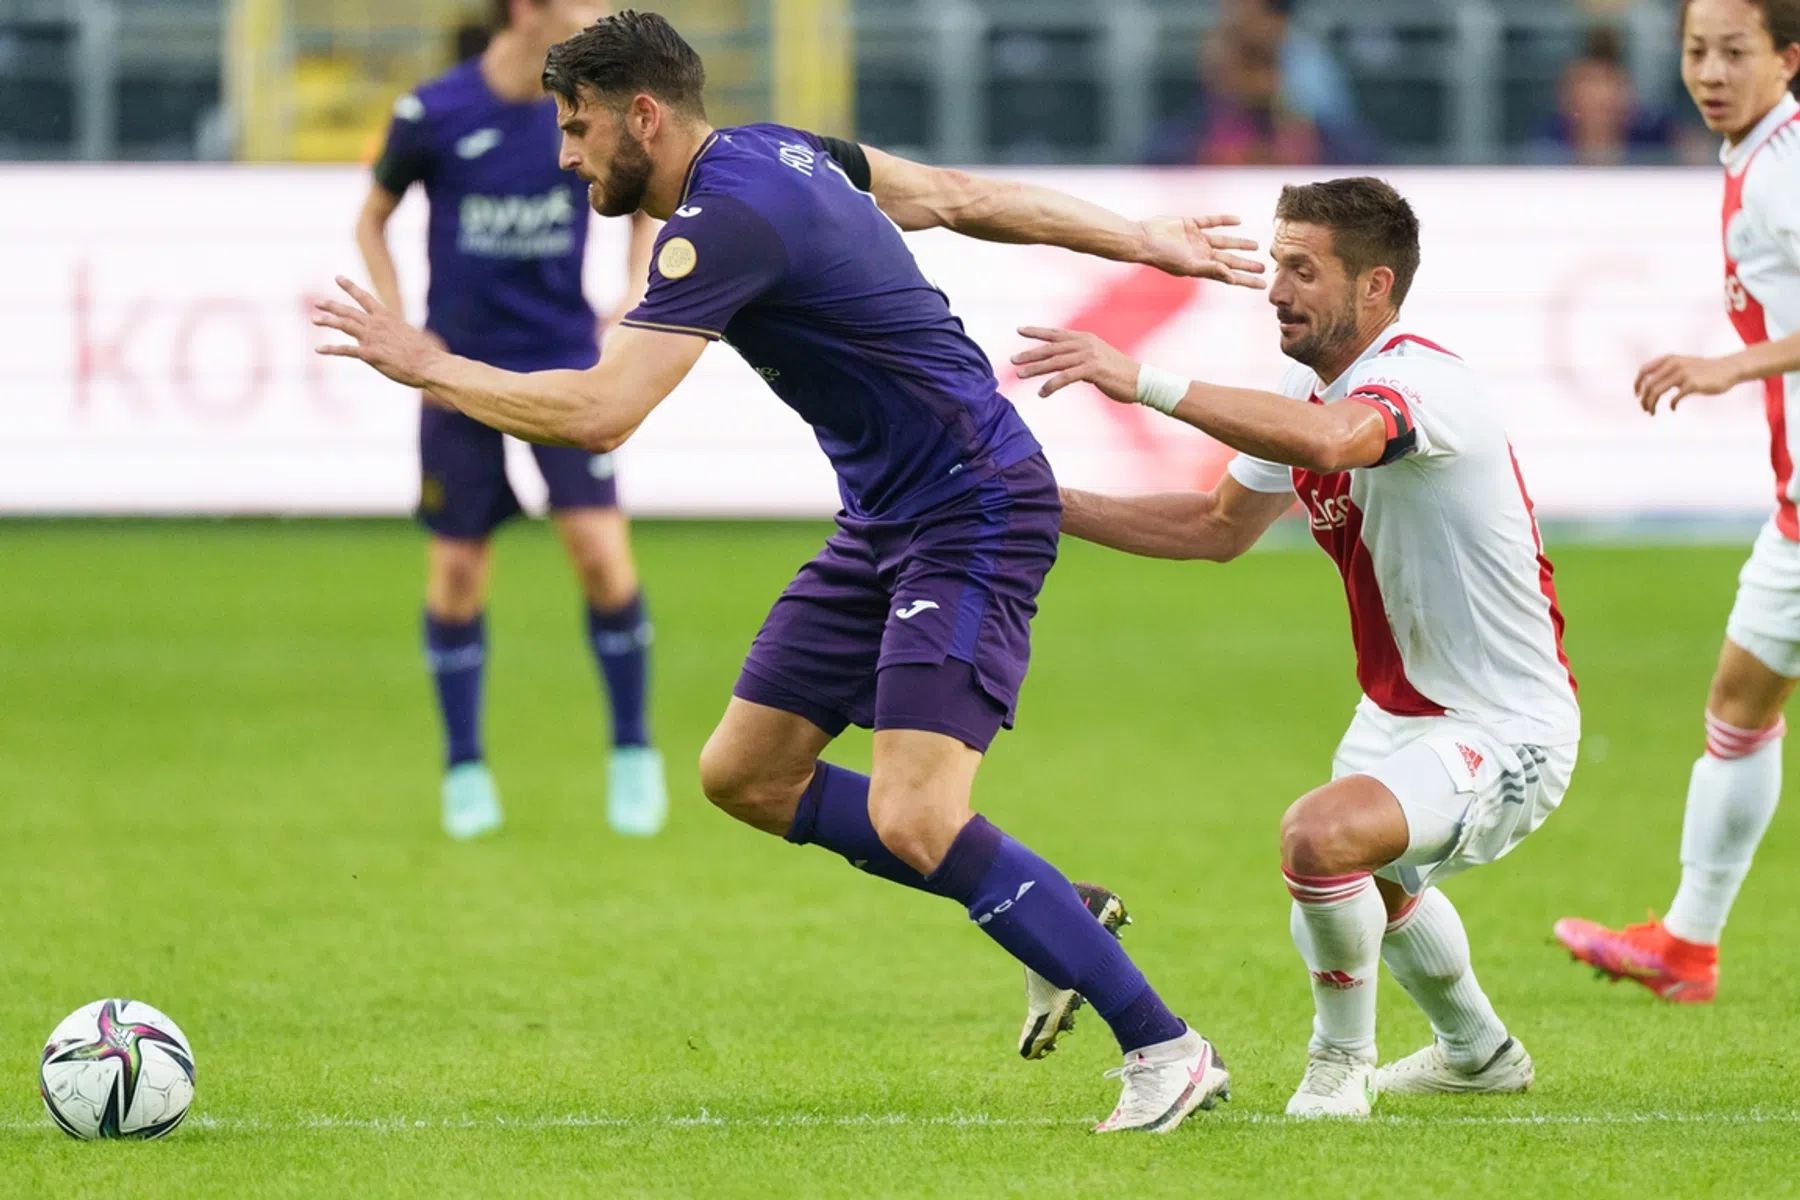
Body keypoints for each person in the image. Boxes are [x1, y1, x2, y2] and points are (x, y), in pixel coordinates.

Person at [317, 10, 1270, 1131]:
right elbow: (962, 195)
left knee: (920, 816)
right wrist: (1140, 237)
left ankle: (1167, 1049)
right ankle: (1049, 908)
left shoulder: (721, 221)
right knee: (746, 774)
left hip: (968, 511)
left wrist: (427, 365)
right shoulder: (787, 148)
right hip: (887, 519)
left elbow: (601, 412)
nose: (566, 157)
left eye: (576, 131)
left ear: (644, 115)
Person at [1011, 177, 1580, 1117]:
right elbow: (1215, 524)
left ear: (1374, 286)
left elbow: (1338, 439)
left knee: (1322, 839)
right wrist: (1043, 500)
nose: (1276, 287)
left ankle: (1336, 1068)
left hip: (1507, 723)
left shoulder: (1420, 381)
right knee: (1378, 889)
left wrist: (1142, 379)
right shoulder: (1303, 386)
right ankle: (1478, 1051)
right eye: (1276, 263)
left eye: (1302, 269)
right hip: (1398, 711)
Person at [353, 0, 666, 841]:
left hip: (564, 363)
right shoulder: (435, 111)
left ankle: (633, 752)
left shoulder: (590, 108)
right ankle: (464, 767)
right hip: (457, 371)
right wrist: (403, 331)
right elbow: (371, 218)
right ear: (528, 7)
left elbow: (643, 199)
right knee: (457, 571)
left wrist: (635, 288)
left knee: (601, 556)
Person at [1554, 0, 1800, 1003]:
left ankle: (1689, 941)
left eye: (1736, 52)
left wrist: (1726, 364)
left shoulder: (1782, 172)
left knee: (1741, 708)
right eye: (1697, 51)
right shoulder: (1756, 153)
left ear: (1788, 58)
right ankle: (1686, 945)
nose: (1711, 71)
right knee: (1740, 708)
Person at [1527, 26, 1689, 165]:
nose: (1600, 95)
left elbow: (1695, 151)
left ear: (1627, 91)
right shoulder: (1549, 147)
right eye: (1589, 82)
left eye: (1608, 82)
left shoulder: (1653, 136)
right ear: (1566, 95)